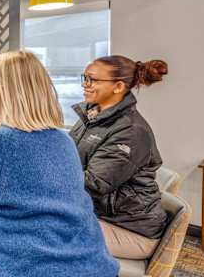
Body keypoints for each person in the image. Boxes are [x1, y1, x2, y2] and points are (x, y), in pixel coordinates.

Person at [0, 51, 118, 277]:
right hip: (95, 267)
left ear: (2, 90)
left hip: (30, 271)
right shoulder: (63, 140)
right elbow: (12, 175)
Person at [71, 55, 169, 260]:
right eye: (85, 78)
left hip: (129, 229)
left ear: (118, 87)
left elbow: (94, 183)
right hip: (98, 213)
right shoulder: (91, 116)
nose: (85, 84)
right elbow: (69, 156)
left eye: (92, 79)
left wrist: (45, 173)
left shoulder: (131, 130)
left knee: (45, 236)